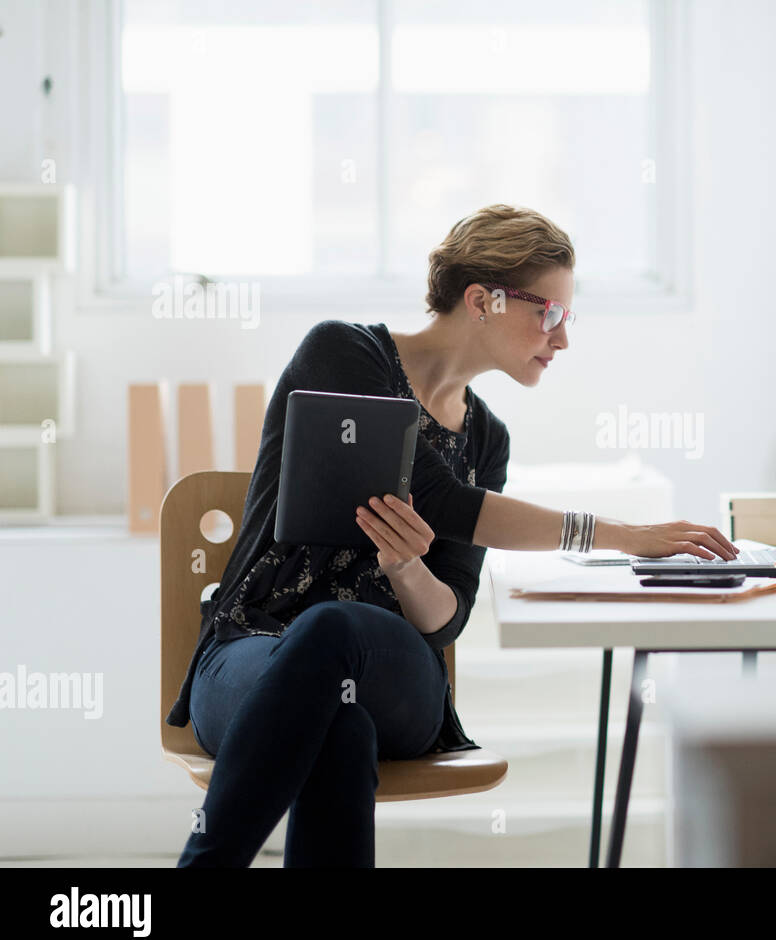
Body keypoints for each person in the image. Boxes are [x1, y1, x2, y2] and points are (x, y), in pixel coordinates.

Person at [171, 204, 738, 866]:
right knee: (339, 724)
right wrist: (625, 534)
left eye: (567, 319)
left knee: (335, 629)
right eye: (549, 314)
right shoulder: (342, 352)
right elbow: (440, 496)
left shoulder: (487, 438)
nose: (561, 340)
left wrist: (409, 567)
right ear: (483, 299)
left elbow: (447, 619)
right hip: (252, 653)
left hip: (395, 677)